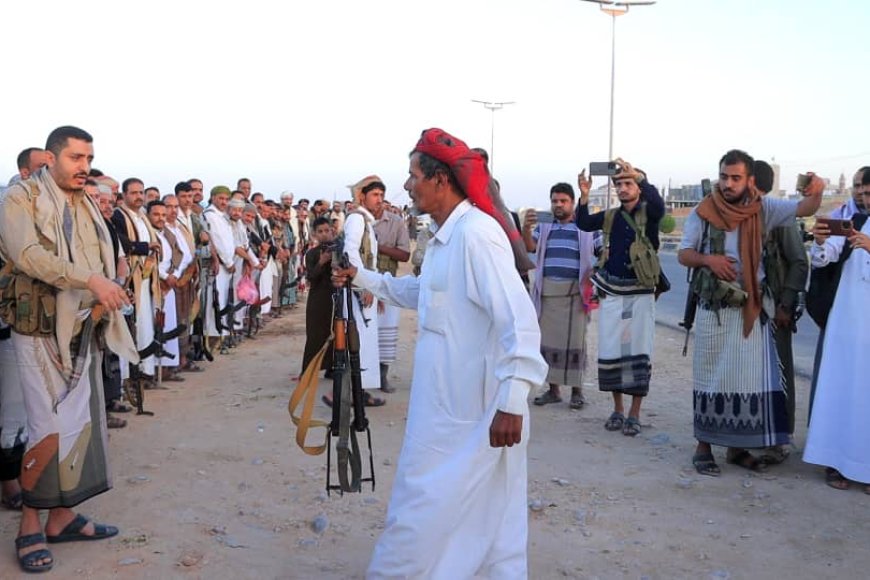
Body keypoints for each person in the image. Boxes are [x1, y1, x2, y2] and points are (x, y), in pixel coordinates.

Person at [332, 128, 547, 578]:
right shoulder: (447, 236)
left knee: (434, 513)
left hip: (477, 413)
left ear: (440, 180)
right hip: (443, 411)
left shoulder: (477, 236)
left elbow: (519, 321)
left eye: (413, 176)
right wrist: (363, 278)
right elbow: (423, 293)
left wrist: (511, 402)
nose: (407, 185)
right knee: (459, 516)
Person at [0, 126, 137, 573]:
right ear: (53, 158)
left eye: (89, 158)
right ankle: (30, 526)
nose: (84, 167)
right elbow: (27, 255)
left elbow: (96, 258)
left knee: (80, 423)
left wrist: (109, 290)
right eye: (76, 158)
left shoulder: (86, 204)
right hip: (39, 328)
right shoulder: (21, 198)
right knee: (46, 425)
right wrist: (91, 281)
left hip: (82, 325)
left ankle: (62, 517)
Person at [678, 149, 823, 476]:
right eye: (724, 177)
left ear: (749, 180)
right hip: (715, 308)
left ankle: (737, 448)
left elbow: (806, 208)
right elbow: (685, 254)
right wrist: (709, 260)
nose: (728, 184)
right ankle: (703, 446)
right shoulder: (703, 212)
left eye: (735, 178)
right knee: (711, 378)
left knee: (745, 381)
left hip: (751, 308)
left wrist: (817, 189)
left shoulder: (765, 208)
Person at [576, 160, 664, 436]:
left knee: (639, 350)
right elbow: (583, 222)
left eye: (628, 184)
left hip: (641, 292)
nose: (623, 189)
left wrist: (639, 175)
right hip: (613, 291)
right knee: (612, 349)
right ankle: (617, 410)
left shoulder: (650, 214)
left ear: (637, 187)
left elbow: (658, 204)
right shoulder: (611, 216)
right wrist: (585, 195)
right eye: (619, 184)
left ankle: (634, 414)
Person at [804, 172, 870, 492]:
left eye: (869, 191)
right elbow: (824, 258)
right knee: (842, 390)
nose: (865, 197)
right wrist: (819, 241)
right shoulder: (847, 219)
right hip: (847, 322)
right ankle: (836, 462)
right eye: (861, 190)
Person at [524, 183, 596, 410]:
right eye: (554, 201)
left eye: (563, 201)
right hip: (548, 294)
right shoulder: (544, 227)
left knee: (576, 344)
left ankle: (577, 392)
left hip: (576, 295)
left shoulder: (586, 228)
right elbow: (531, 247)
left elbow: (603, 251)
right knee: (548, 344)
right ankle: (553, 391)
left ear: (572, 203)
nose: (558, 205)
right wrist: (526, 228)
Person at [755, 160, 808, 464]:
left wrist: (786, 304)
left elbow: (800, 262)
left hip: (778, 308)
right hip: (754, 308)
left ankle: (782, 437)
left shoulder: (780, 216)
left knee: (780, 371)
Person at [112, 177, 161, 382]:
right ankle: (130, 375)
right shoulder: (119, 215)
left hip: (147, 278)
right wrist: (146, 247)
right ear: (124, 195)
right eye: (134, 193)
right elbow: (122, 243)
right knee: (133, 326)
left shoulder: (142, 216)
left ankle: (144, 370)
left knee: (146, 326)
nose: (139, 196)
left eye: (141, 192)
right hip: (131, 279)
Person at [372, 190, 411, 393]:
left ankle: (382, 376)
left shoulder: (396, 222)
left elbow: (404, 254)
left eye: (380, 196)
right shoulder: (358, 222)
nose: (378, 201)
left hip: (387, 284)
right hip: (362, 286)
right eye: (374, 196)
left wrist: (378, 248)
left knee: (385, 330)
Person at [202, 186, 236, 354]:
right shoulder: (211, 216)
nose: (223, 202)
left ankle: (220, 336)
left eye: (226, 199)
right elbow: (217, 241)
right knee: (214, 304)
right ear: (213, 198)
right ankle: (212, 339)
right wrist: (228, 262)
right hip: (220, 265)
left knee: (222, 302)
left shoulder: (222, 216)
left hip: (226, 267)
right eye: (220, 198)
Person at [301, 217, 336, 376]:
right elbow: (311, 277)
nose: (324, 235)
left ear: (332, 231)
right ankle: (308, 371)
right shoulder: (312, 253)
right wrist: (321, 262)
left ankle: (331, 367)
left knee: (335, 332)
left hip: (334, 298)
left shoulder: (338, 250)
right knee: (315, 334)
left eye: (327, 231)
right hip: (318, 298)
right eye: (320, 232)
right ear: (314, 234)